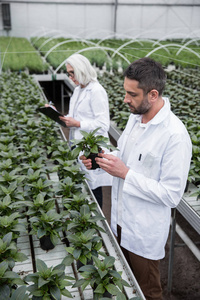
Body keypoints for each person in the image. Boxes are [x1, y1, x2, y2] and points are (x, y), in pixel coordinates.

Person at [80, 57, 192, 300]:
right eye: (125, 92)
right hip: (120, 221)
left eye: (132, 94)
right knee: (125, 281)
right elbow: (124, 156)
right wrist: (101, 159)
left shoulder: (174, 135)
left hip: (143, 233)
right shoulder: (135, 117)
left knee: (148, 291)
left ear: (153, 94)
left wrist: (126, 174)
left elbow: (171, 195)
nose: (125, 99)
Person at [58, 53, 112, 208]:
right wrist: (60, 116)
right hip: (77, 144)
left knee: (93, 189)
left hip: (90, 147)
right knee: (83, 186)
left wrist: (79, 123)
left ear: (82, 70)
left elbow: (103, 124)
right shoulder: (78, 90)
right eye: (68, 74)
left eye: (72, 73)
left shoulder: (96, 91)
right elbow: (74, 116)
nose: (70, 77)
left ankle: (97, 224)